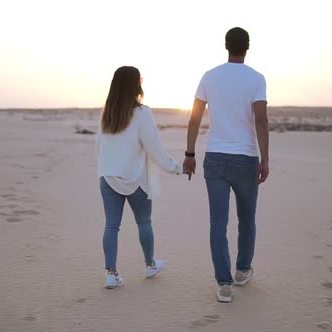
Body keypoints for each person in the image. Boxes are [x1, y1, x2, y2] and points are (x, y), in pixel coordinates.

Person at [183, 27, 270, 302]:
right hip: (246, 158)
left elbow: (195, 118)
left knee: (217, 223)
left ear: (225, 45)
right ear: (248, 46)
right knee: (246, 219)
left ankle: (224, 284)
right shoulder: (256, 79)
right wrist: (265, 158)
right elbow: (261, 120)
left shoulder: (210, 76)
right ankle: (242, 270)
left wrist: (190, 153)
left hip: (216, 157)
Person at [96, 66, 183, 289]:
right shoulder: (142, 112)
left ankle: (111, 273)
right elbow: (154, 147)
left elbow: (99, 146)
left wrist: (106, 169)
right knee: (144, 222)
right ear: (136, 84)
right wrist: (176, 168)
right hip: (135, 178)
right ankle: (150, 265)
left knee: (111, 226)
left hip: (108, 176)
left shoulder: (108, 113)